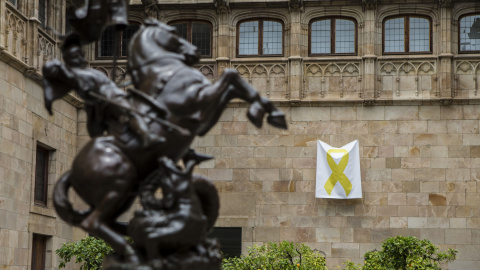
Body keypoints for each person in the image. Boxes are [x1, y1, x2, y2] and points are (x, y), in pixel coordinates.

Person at [42, 37, 164, 147]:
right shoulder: (74, 73)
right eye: (73, 57)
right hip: (106, 97)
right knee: (128, 110)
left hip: (108, 95)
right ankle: (146, 135)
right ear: (67, 59)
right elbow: (50, 69)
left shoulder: (86, 70)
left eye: (79, 54)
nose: (78, 58)